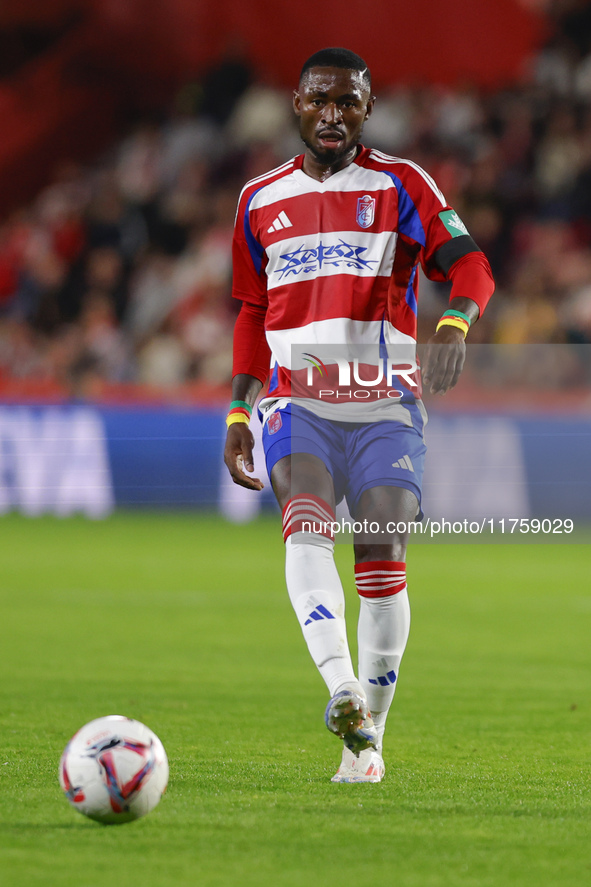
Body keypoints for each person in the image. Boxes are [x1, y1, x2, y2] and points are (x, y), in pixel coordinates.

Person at [224, 48, 494, 783]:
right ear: (296, 104)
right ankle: (341, 685)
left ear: (367, 109)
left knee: (381, 557)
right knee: (304, 519)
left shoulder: (402, 183)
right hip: (294, 399)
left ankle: (364, 743)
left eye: (348, 101)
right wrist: (237, 410)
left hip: (382, 402)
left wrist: (454, 325)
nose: (333, 114)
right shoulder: (257, 199)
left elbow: (470, 265)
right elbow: (253, 310)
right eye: (320, 101)